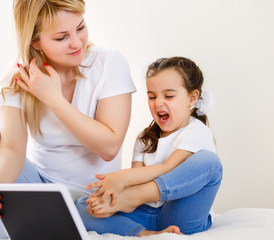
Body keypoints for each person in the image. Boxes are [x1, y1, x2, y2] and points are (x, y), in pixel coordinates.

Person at [0, 0, 136, 239]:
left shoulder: (109, 62)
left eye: (80, 27)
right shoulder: (18, 77)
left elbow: (109, 146)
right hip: (35, 187)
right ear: (35, 41)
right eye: (61, 37)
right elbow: (12, 149)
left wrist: (54, 99)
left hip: (85, 200)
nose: (77, 43)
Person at [76, 57, 223, 236]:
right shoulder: (144, 139)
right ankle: (145, 234)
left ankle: (133, 199)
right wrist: (113, 197)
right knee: (82, 205)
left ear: (192, 98)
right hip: (145, 213)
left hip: (181, 214)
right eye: (152, 96)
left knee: (210, 163)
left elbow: (168, 168)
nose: (158, 103)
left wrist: (124, 181)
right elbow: (136, 178)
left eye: (169, 96)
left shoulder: (197, 132)